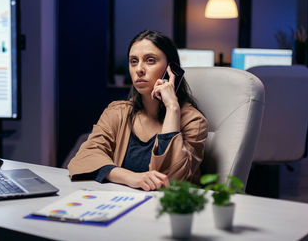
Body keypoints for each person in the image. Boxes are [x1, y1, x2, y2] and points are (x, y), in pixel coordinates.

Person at [68, 30, 208, 191]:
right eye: (133, 61)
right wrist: (131, 177)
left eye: (150, 60)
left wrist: (172, 108)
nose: (139, 69)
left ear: (171, 69)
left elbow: (170, 181)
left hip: (168, 211)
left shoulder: (194, 122)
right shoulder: (117, 111)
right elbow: (84, 158)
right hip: (119, 203)